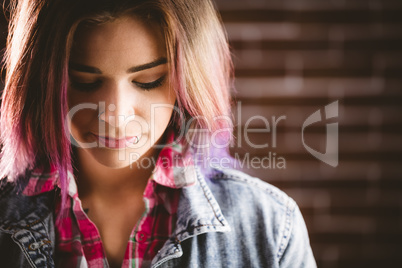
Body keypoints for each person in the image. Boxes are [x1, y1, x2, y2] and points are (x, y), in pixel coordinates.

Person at [0, 0, 316, 267]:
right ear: (41, 82)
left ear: (187, 83)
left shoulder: (271, 226)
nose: (117, 115)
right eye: (85, 81)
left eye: (149, 80)